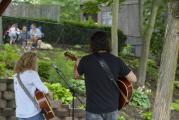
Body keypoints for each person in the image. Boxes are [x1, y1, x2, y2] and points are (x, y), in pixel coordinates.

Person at [74, 31, 137, 120]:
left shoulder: (86, 60)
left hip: (93, 109)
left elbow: (76, 76)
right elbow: (134, 79)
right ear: (107, 43)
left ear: (93, 44)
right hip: (111, 108)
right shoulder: (116, 61)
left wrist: (76, 64)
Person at [13, 52, 49, 120]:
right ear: (32, 62)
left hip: (20, 113)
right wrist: (48, 90)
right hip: (32, 112)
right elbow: (44, 89)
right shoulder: (32, 73)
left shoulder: (16, 75)